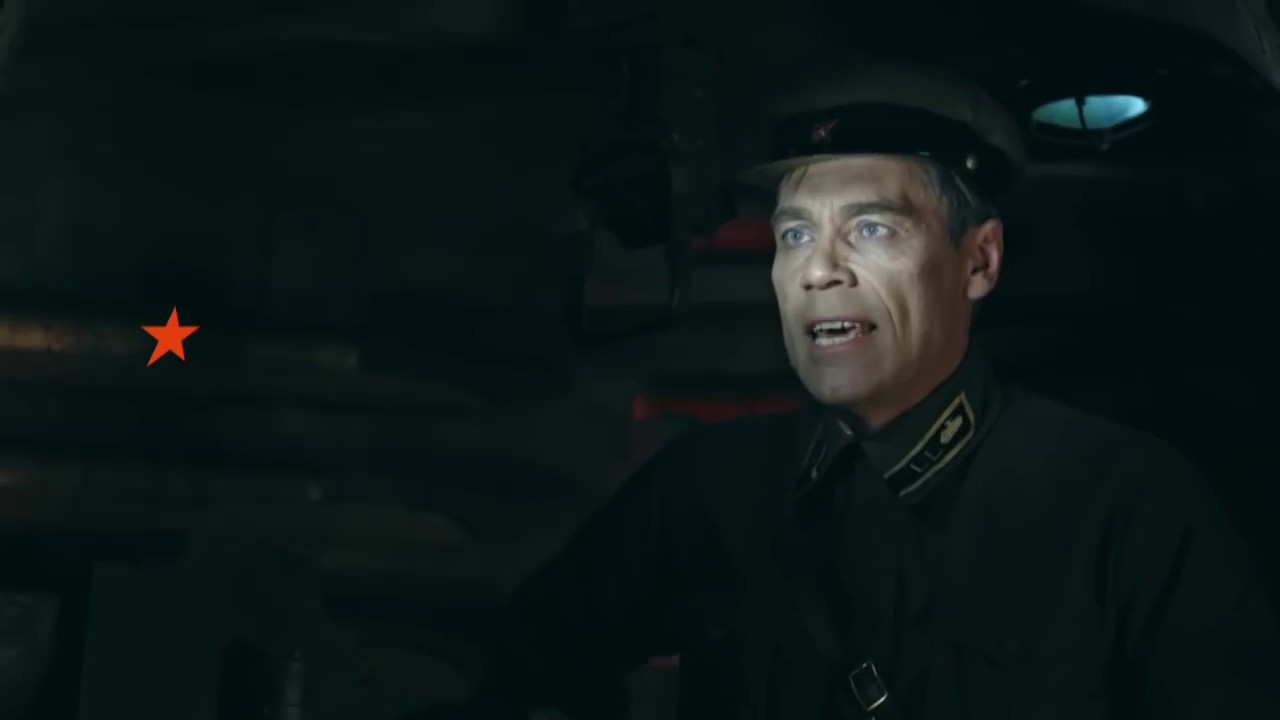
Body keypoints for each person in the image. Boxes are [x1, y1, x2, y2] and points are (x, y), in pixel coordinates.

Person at [424, 56, 1280, 720]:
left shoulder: (1128, 505)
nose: (818, 271)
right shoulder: (710, 487)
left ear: (979, 260)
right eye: (796, 235)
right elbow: (531, 658)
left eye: (871, 228)